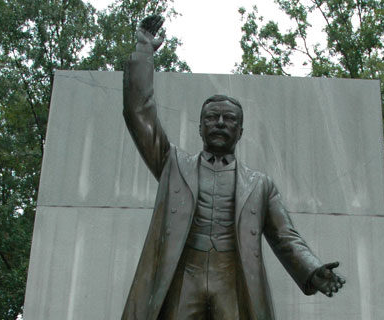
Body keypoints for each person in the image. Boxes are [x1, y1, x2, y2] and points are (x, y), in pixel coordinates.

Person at [121, 15, 344, 320]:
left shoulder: (260, 184)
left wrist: (312, 268)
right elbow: (139, 115)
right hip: (185, 274)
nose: (221, 123)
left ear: (241, 131)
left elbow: (285, 236)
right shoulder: (173, 165)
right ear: (200, 128)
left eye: (230, 120)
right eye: (212, 118)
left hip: (233, 279)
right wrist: (144, 52)